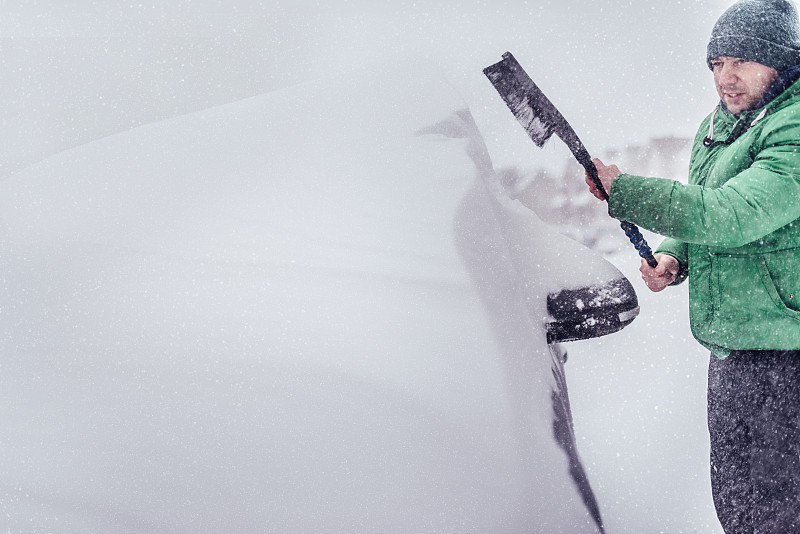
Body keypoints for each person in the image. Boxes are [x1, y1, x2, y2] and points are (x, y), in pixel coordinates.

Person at [584, 0, 800, 531]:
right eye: (715, 64)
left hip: (787, 351)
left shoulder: (793, 127)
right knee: (737, 499)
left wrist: (629, 193)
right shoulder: (720, 124)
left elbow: (736, 214)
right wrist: (674, 255)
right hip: (732, 344)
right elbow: (705, 204)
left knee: (780, 509)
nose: (724, 78)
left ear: (780, 62)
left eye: (740, 61)